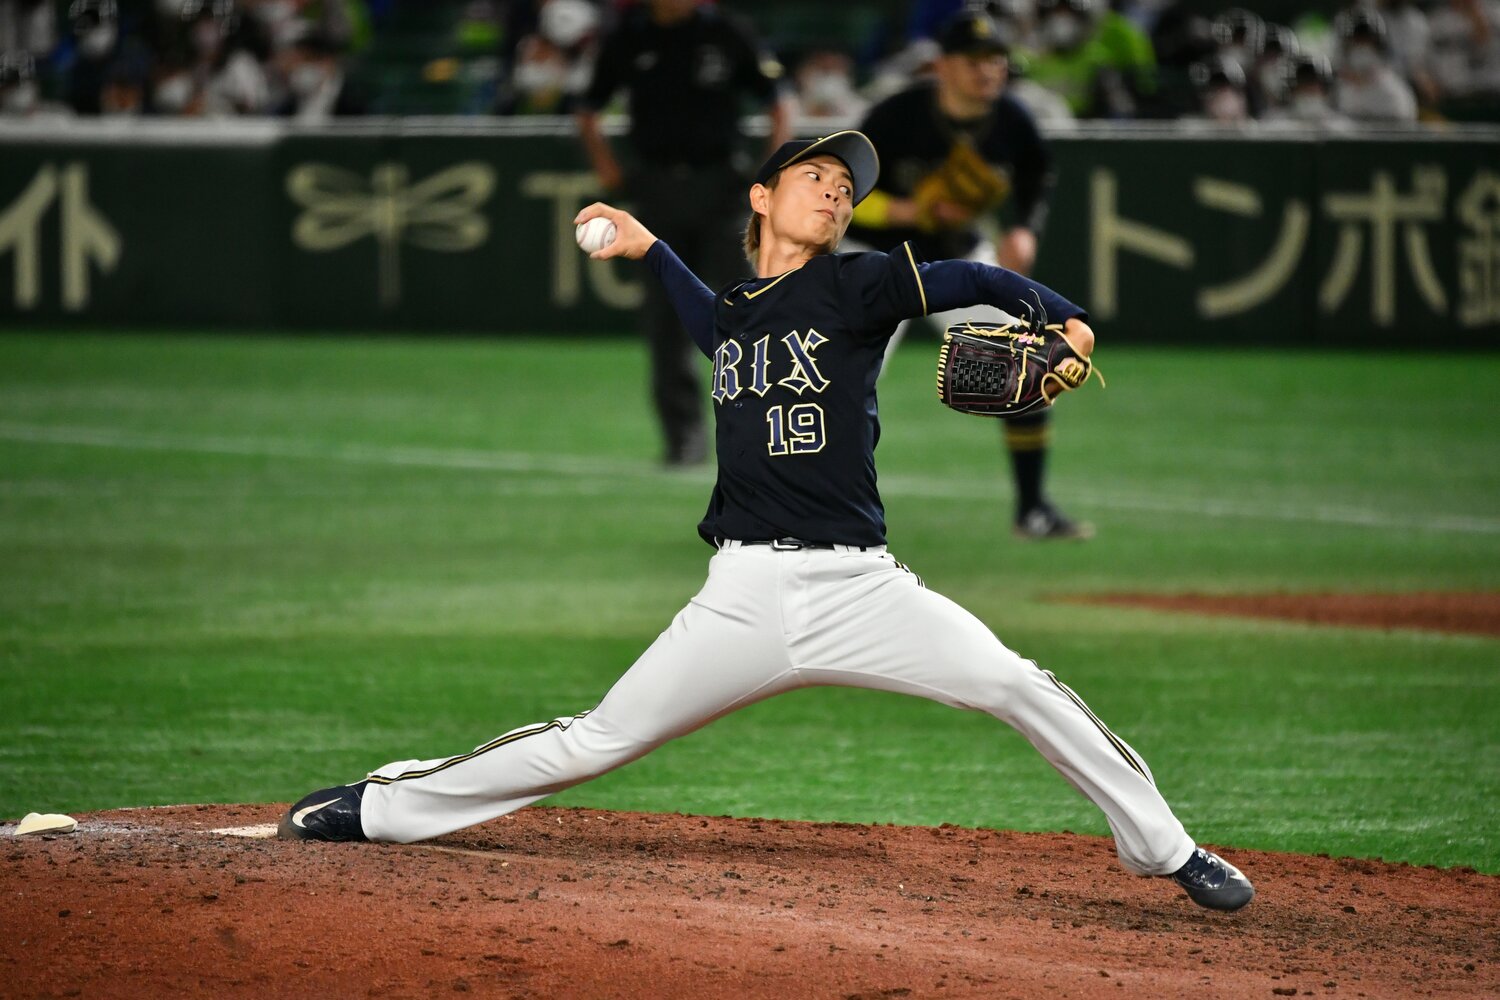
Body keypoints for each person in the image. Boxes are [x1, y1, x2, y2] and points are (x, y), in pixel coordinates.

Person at [278, 128, 1255, 914]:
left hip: (863, 588)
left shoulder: (859, 282)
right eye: (817, 176)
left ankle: (1168, 850)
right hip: (741, 596)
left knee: (1016, 682)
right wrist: (646, 243)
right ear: (763, 196)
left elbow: (968, 279)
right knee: (593, 740)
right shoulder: (743, 308)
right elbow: (709, 317)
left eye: (847, 187)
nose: (836, 194)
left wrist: (1068, 318)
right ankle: (382, 805)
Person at [845, 11, 1090, 541]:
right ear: (945, 66)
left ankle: (1033, 511)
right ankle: (814, 512)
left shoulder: (1012, 121)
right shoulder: (897, 115)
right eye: (976, 62)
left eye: (997, 61)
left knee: (1025, 369)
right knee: (840, 384)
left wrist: (1024, 228)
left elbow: (1036, 174)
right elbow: (844, 193)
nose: (989, 72)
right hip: (876, 259)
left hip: (955, 261)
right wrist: (907, 212)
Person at [575, 0, 790, 467]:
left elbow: (777, 102)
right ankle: (684, 440)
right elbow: (587, 110)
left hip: (722, 189)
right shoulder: (627, 38)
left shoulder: (728, 33)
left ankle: (769, 428)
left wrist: (769, 173)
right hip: (655, 192)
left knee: (747, 308)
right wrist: (610, 173)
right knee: (666, 318)